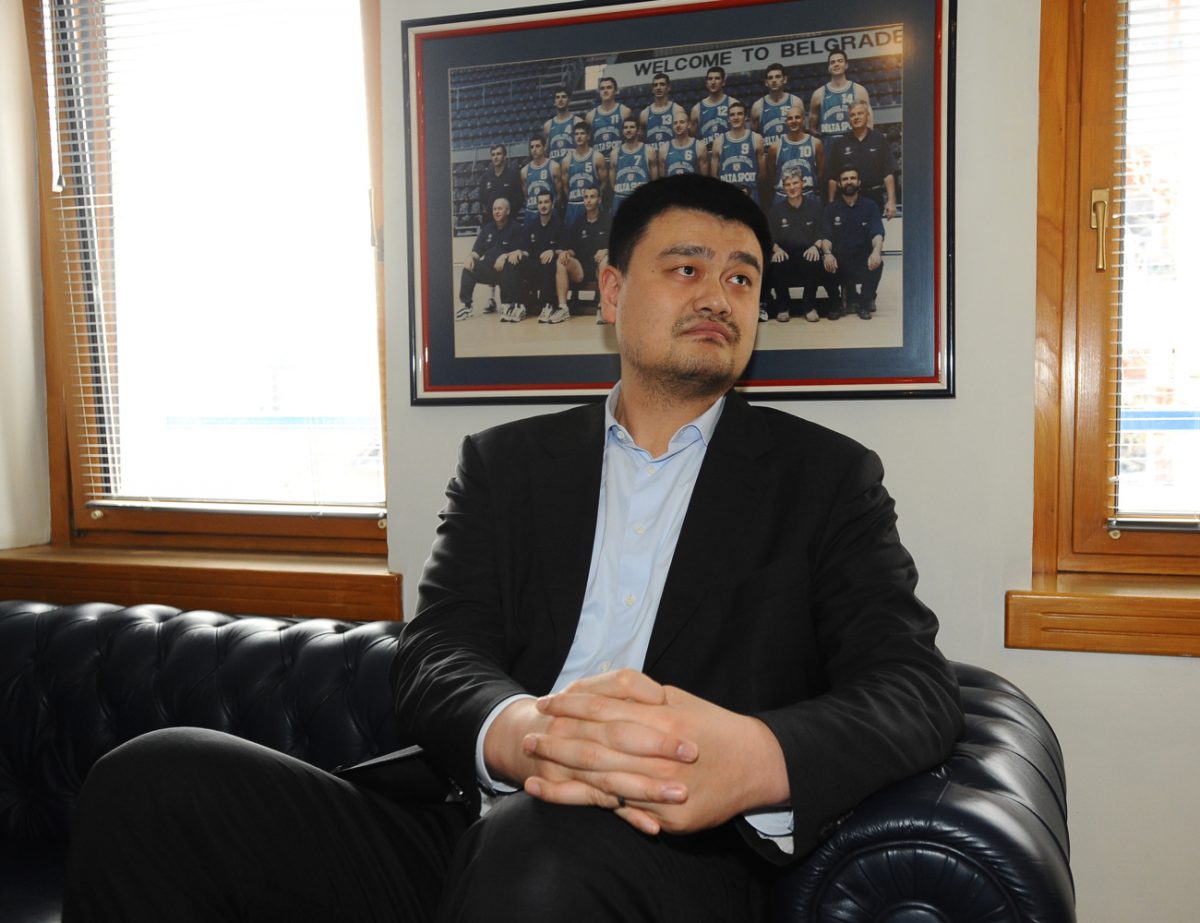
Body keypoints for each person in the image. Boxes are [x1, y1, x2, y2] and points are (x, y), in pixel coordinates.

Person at [62, 175, 961, 923]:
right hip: (461, 823)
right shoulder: (507, 465)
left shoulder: (826, 479)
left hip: (671, 857)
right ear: (611, 293)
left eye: (742, 278)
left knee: (537, 850)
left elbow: (913, 686)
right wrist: (522, 734)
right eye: (686, 267)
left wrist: (747, 755)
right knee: (151, 779)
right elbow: (437, 652)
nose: (718, 296)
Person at [765, 172, 830, 323]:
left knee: (812, 260)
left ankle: (809, 307)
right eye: (788, 185)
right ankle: (783, 307)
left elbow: (822, 232)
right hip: (785, 254)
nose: (792, 187)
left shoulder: (815, 207)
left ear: (802, 184)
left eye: (795, 183)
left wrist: (815, 247)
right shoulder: (776, 210)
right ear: (783, 188)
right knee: (777, 262)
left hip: (807, 252)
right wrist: (776, 250)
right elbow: (768, 236)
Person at [822, 165, 885, 319]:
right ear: (839, 184)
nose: (849, 181)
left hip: (862, 258)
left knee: (878, 263)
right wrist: (827, 253)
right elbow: (826, 237)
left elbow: (877, 233)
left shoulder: (870, 206)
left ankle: (864, 304)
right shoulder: (831, 209)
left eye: (852, 178)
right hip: (839, 260)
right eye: (845, 179)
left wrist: (876, 252)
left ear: (859, 182)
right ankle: (835, 304)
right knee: (824, 262)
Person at [824, 101, 898, 219]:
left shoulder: (879, 139)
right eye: (852, 115)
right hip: (848, 198)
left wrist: (891, 200)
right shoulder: (840, 144)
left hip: (874, 197)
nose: (856, 117)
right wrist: (831, 204)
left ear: (867, 116)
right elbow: (833, 177)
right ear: (849, 119)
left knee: (874, 230)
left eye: (860, 113)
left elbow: (888, 172)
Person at [455, 196, 523, 321]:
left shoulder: (516, 228)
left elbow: (519, 253)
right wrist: (470, 257)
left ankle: (507, 304)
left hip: (506, 271)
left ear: (508, 211)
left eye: (500, 209)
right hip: (489, 270)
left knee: (509, 264)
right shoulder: (487, 229)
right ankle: (466, 305)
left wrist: (505, 256)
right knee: (469, 267)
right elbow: (476, 252)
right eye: (494, 209)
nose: (496, 212)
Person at [555, 185, 611, 323]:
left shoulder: (608, 220)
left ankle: (602, 307)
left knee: (606, 260)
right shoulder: (578, 221)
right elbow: (572, 248)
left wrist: (607, 250)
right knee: (561, 261)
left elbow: (619, 245)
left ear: (599, 199)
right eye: (586, 197)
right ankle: (563, 308)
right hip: (581, 269)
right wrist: (566, 252)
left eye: (592, 197)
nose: (588, 200)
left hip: (599, 267)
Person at [514, 191, 567, 323]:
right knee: (518, 261)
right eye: (540, 203)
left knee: (548, 261)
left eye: (546, 202)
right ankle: (520, 306)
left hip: (551, 267)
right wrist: (519, 253)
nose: (543, 206)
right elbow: (526, 250)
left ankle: (548, 305)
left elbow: (564, 250)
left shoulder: (560, 225)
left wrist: (553, 251)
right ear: (537, 205)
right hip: (534, 265)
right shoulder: (530, 226)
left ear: (552, 204)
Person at [808, 49, 871, 139]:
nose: (836, 64)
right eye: (832, 62)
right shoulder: (818, 94)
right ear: (828, 67)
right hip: (828, 143)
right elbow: (812, 128)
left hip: (853, 142)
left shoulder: (859, 90)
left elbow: (869, 121)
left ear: (846, 65)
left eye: (840, 61)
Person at [767, 105, 823, 205]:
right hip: (783, 196)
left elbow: (820, 173)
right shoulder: (775, 147)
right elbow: (772, 174)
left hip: (808, 194)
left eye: (797, 117)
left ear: (803, 120)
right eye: (790, 118)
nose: (794, 121)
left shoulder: (815, 143)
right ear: (786, 122)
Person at [710, 100, 764, 203]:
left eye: (739, 114)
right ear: (728, 119)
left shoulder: (756, 139)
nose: (736, 117)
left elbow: (762, 174)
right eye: (732, 115)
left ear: (746, 117)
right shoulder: (718, 141)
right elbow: (714, 176)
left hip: (751, 196)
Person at [561, 122, 608, 229]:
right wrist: (576, 197)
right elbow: (565, 187)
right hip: (573, 206)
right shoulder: (566, 160)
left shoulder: (597, 157)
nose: (579, 136)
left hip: (592, 206)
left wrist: (593, 198)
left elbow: (604, 182)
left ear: (588, 136)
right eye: (576, 134)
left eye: (582, 133)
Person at [610, 115, 658, 215]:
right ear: (622, 131)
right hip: (621, 199)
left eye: (632, 127)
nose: (628, 130)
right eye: (625, 128)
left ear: (638, 130)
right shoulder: (615, 153)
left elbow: (655, 182)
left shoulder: (649, 151)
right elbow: (613, 183)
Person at [751, 62, 804, 143]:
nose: (774, 80)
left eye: (778, 76)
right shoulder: (757, 106)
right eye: (770, 78)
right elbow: (755, 138)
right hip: (767, 150)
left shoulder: (795, 102)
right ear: (766, 82)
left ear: (784, 79)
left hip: (791, 149)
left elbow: (802, 132)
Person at [586, 76, 631, 162]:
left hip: (620, 160)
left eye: (609, 87)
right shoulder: (590, 116)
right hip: (599, 163)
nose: (605, 91)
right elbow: (588, 143)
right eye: (602, 88)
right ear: (599, 92)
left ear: (616, 91)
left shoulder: (624, 112)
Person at [520, 135, 561, 227]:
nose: (534, 149)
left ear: (545, 147)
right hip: (531, 213)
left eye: (537, 146)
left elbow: (559, 194)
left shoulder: (553, 166)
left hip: (549, 213)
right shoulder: (524, 171)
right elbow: (526, 196)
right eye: (532, 147)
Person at [690, 65, 739, 143]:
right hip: (706, 149)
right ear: (706, 83)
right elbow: (692, 140)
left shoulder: (733, 104)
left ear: (723, 82)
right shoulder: (696, 109)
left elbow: (740, 133)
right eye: (710, 79)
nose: (713, 82)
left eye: (717, 78)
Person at [639, 71, 686, 150]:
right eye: (655, 85)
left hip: (672, 154)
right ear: (652, 89)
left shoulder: (677, 110)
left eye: (662, 84)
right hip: (652, 155)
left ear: (668, 88)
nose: (658, 87)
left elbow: (685, 136)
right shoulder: (644, 114)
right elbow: (641, 140)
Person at [478, 144, 522, 219]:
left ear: (504, 157)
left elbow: (519, 199)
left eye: (498, 154)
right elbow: (482, 200)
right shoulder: (485, 177)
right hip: (491, 220)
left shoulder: (513, 175)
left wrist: (508, 212)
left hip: (509, 219)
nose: (495, 157)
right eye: (493, 155)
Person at [543, 87, 581, 170]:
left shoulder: (577, 121)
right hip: (555, 170)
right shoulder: (548, 125)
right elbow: (546, 152)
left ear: (569, 100)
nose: (560, 100)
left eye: (563, 97)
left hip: (572, 168)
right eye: (557, 97)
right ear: (554, 102)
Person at [662, 111, 706, 177]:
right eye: (675, 123)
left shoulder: (699, 147)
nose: (678, 125)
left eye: (682, 122)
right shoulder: (664, 149)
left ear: (689, 125)